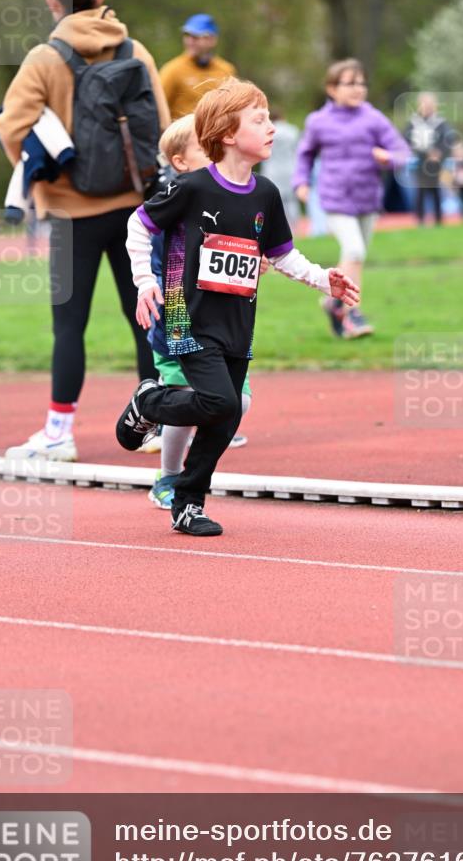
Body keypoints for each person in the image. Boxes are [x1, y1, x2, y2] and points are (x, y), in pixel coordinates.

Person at [115, 77, 359, 536]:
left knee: (228, 411)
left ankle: (187, 502)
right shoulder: (191, 188)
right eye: (259, 120)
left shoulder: (265, 193)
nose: (271, 128)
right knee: (221, 401)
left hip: (236, 320)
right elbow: (138, 224)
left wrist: (323, 279)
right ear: (228, 134)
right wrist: (145, 281)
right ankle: (149, 402)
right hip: (185, 313)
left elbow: (282, 254)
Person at [0, 0, 170, 461]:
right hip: (137, 207)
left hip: (73, 213)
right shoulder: (136, 51)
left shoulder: (45, 58)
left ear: (53, 2)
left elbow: (13, 127)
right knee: (145, 315)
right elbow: (159, 124)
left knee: (70, 324)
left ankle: (58, 432)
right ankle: (156, 420)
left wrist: (47, 174)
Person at [146, 113, 254, 509]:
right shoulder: (176, 198)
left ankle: (188, 472)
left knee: (238, 402)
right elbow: (152, 247)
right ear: (180, 162)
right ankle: (169, 476)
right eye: (203, 149)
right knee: (187, 395)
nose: (215, 155)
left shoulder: (234, 194)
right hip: (179, 321)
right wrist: (150, 286)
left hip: (226, 323)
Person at [292, 58, 409, 339]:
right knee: (354, 251)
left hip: (367, 200)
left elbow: (403, 152)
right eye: (349, 83)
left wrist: (388, 157)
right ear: (332, 88)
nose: (358, 89)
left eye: (361, 83)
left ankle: (333, 302)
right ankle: (351, 311)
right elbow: (304, 154)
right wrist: (301, 183)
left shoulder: (374, 119)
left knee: (356, 258)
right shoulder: (318, 121)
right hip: (335, 199)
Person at [159, 14, 236, 121]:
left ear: (212, 40)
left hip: (215, 134)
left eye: (196, 37)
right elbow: (158, 108)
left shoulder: (226, 70)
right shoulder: (172, 69)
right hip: (182, 135)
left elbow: (233, 109)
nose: (190, 41)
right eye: (187, 35)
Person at [404, 92, 455, 226]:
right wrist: (417, 152)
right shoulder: (413, 122)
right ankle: (420, 219)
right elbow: (405, 140)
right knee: (420, 189)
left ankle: (438, 219)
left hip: (435, 162)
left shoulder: (440, 122)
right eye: (424, 104)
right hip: (419, 161)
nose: (427, 107)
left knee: (435, 189)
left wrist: (439, 153)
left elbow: (448, 140)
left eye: (430, 104)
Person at [259, 109, 301, 231]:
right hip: (290, 168)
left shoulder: (267, 131)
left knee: (275, 201)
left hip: (272, 169)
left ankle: (280, 229)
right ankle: (295, 228)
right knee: (292, 200)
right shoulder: (292, 130)